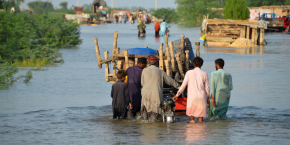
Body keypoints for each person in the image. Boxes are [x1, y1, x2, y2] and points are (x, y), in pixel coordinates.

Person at [140, 56, 180, 122]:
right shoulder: (160, 71)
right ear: (157, 63)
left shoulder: (144, 70)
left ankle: (145, 123)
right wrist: (178, 86)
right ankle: (154, 126)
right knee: (155, 112)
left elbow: (142, 83)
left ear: (148, 63)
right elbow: (170, 80)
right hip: (156, 93)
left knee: (145, 109)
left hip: (145, 93)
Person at [172, 57, 209, 123]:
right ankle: (201, 131)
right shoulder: (205, 74)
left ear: (193, 64)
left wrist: (177, 95)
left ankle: (192, 127)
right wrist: (208, 99)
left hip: (192, 97)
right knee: (200, 118)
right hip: (202, 96)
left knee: (191, 115)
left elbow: (183, 85)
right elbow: (207, 88)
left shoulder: (189, 73)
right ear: (201, 64)